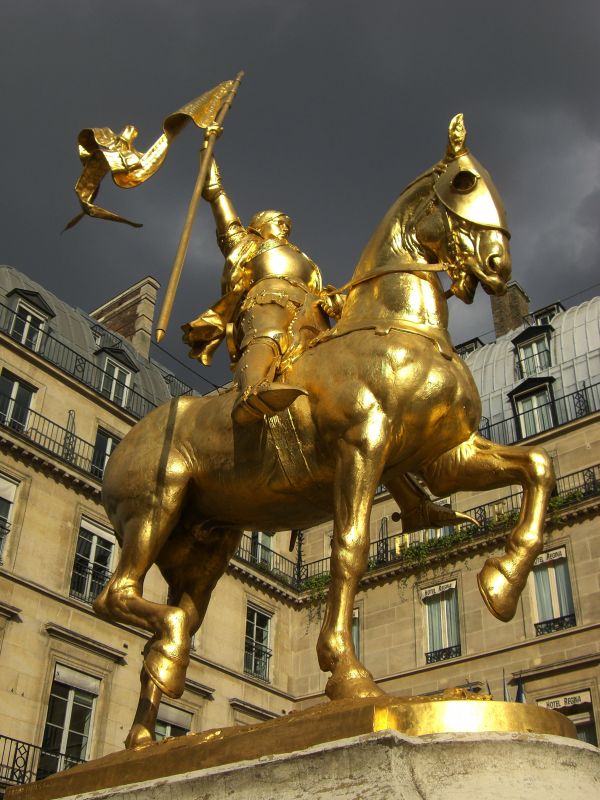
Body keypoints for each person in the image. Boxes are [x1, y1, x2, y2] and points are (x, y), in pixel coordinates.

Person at [182, 156, 343, 425]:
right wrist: (215, 188)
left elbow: (320, 291)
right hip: (267, 299)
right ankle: (252, 392)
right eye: (279, 221)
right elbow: (228, 225)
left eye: (287, 224)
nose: (285, 227)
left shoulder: (306, 260)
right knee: (268, 336)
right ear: (259, 226)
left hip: (310, 309)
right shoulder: (249, 244)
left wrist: (334, 300)